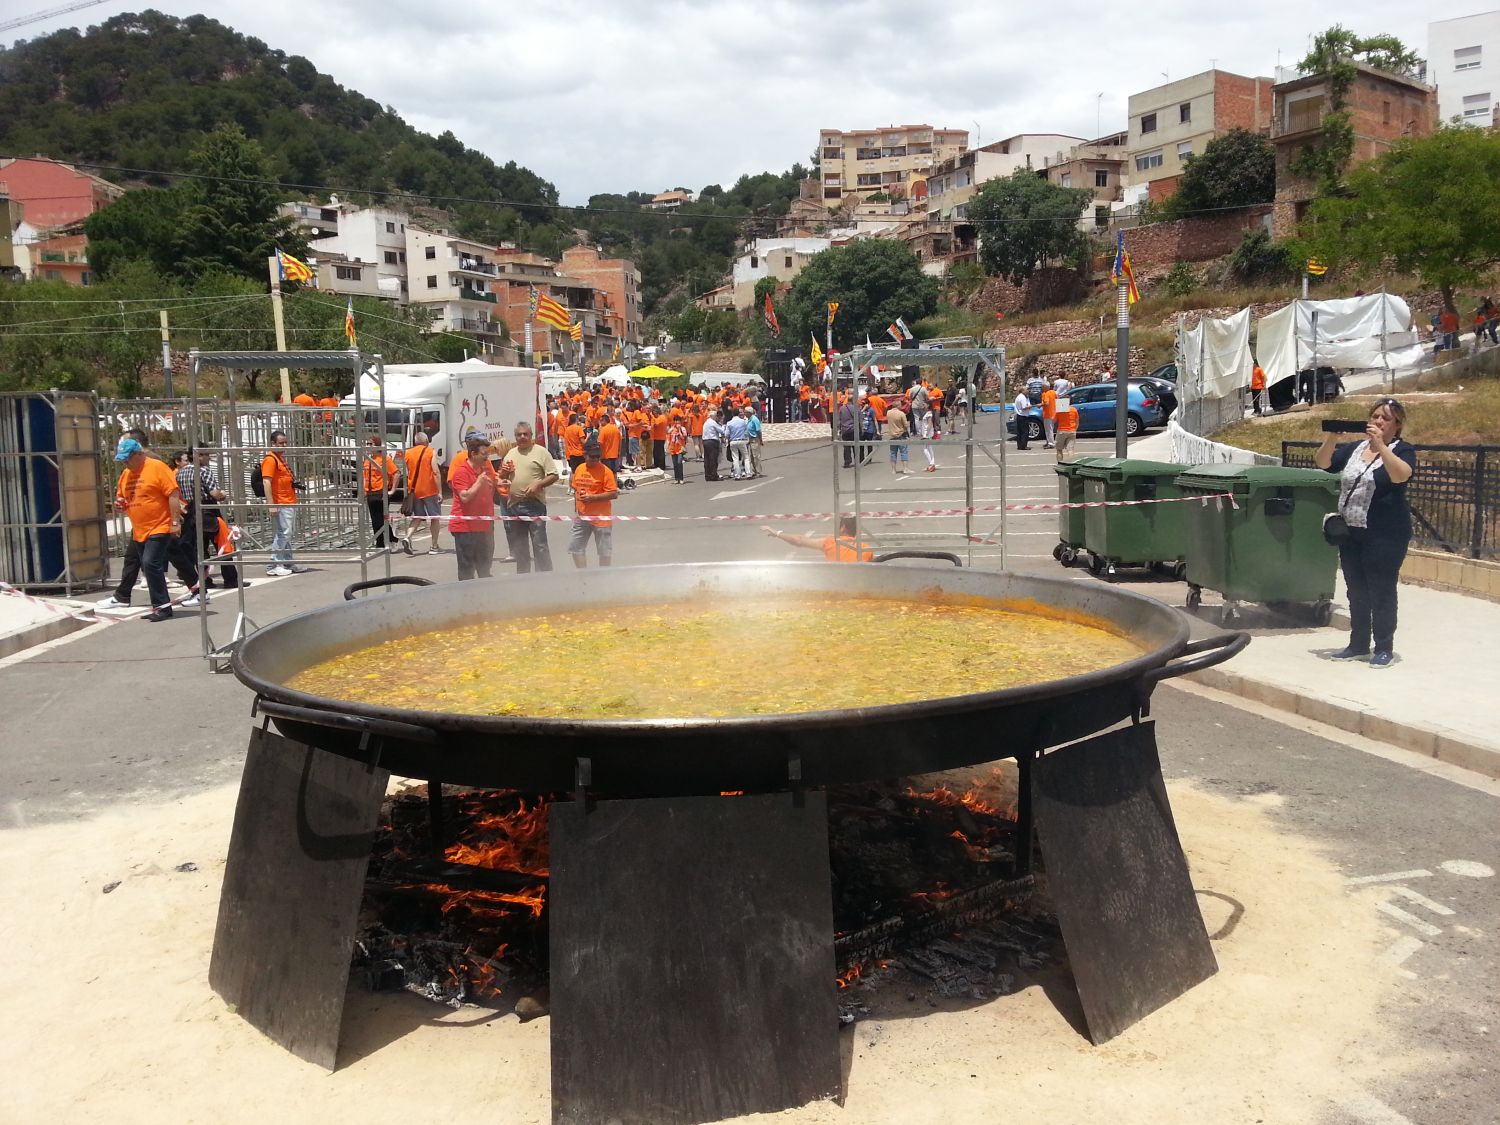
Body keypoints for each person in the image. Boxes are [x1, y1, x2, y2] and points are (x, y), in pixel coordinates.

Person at [1314, 399, 1416, 668]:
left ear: (1397, 425)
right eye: (1375, 416)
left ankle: (1384, 647)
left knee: (1381, 590)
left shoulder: (1402, 450)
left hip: (1385, 535)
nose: (1379, 421)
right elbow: (1324, 462)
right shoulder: (1354, 448)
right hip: (1352, 532)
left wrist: (1381, 446)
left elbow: (1401, 475)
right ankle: (1358, 643)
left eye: (1386, 418)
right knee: (1356, 590)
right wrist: (1332, 438)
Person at [113, 437, 185, 622]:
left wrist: (175, 522)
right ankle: (159, 606)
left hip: (159, 525)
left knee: (151, 563)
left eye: (128, 458)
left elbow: (173, 493)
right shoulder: (126, 474)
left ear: (139, 454)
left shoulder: (157, 467)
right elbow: (123, 498)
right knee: (148, 565)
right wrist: (120, 505)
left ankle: (163, 606)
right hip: (139, 529)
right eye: (123, 460)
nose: (125, 463)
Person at [177, 445, 242, 600]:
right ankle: (231, 579)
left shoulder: (181, 472)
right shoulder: (204, 471)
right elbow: (214, 493)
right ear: (198, 456)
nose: (208, 458)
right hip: (208, 511)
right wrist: (223, 494)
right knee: (223, 545)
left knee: (200, 548)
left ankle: (205, 580)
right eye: (206, 455)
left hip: (190, 513)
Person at [499, 419, 558, 573]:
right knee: (520, 548)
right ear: (515, 437)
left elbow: (554, 475)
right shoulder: (510, 453)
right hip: (514, 506)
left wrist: (538, 484)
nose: (522, 437)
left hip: (535, 505)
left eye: (525, 434)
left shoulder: (541, 452)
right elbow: (502, 478)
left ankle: (544, 579)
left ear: (531, 435)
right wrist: (504, 473)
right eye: (519, 435)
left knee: (540, 546)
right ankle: (523, 579)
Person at [448, 433, 501, 581]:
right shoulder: (461, 472)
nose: (487, 458)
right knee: (467, 569)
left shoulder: (482, 471)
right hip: (465, 528)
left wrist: (496, 484)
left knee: (484, 568)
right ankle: (467, 599)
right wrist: (478, 482)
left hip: (483, 527)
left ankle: (484, 597)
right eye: (484, 454)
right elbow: (464, 497)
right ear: (473, 454)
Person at [260, 430, 305, 577]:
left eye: (285, 442)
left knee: (286, 533)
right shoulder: (270, 459)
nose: (284, 445)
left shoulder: (280, 458)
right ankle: (275, 563)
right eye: (281, 443)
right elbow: (266, 481)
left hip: (287, 499)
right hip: (280, 501)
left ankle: (287, 561)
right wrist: (271, 504)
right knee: (283, 533)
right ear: (273, 443)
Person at [568, 441, 619, 567]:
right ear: (585, 455)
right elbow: (575, 488)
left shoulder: (606, 471)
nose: (596, 459)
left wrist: (592, 498)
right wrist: (577, 509)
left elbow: (613, 493)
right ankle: (584, 577)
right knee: (576, 548)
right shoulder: (579, 469)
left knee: (604, 552)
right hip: (582, 517)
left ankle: (603, 578)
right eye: (592, 456)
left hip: (601, 518)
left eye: (598, 456)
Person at [762, 515, 873, 562]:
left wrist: (777, 533)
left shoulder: (830, 542)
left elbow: (799, 540)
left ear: (843, 528)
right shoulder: (867, 550)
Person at [402, 432, 443, 554]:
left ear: (415, 442)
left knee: (418, 516)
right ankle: (434, 546)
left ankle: (407, 537)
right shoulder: (431, 452)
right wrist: (440, 491)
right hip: (429, 489)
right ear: (426, 441)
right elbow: (435, 471)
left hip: (414, 490)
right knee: (435, 518)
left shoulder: (408, 453)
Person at [362, 435, 399, 551]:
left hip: (381, 492)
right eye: (367, 444)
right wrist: (364, 491)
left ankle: (392, 540)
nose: (368, 446)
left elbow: (396, 473)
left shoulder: (385, 459)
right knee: (374, 520)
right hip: (370, 493)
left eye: (370, 444)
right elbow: (365, 476)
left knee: (382, 519)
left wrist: (392, 490)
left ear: (377, 446)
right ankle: (380, 543)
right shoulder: (368, 459)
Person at [725, 407, 751, 480]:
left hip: (733, 441)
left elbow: (726, 434)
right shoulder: (743, 421)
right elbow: (746, 432)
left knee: (735, 458)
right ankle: (748, 473)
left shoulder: (729, 423)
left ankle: (737, 475)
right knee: (746, 457)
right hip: (742, 440)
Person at [1054, 390, 1079, 462]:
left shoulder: (1060, 410)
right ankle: (1071, 464)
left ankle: (1060, 464)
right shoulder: (1074, 410)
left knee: (1059, 450)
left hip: (1062, 430)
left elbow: (1054, 420)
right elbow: (1077, 421)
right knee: (1070, 450)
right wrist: (1075, 429)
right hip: (1072, 431)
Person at [886, 400, 910, 473]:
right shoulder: (901, 414)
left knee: (893, 453)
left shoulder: (888, 413)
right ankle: (905, 468)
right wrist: (906, 430)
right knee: (904, 452)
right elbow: (905, 425)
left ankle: (893, 470)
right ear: (898, 406)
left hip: (892, 435)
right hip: (901, 434)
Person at [702, 409, 725, 482]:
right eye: (715, 416)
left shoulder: (706, 422)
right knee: (713, 459)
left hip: (705, 441)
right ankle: (713, 475)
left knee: (707, 459)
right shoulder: (713, 423)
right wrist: (723, 425)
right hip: (712, 441)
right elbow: (722, 431)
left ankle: (707, 475)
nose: (716, 417)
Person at [666, 416, 688, 484]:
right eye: (675, 421)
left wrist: (679, 431)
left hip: (680, 448)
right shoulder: (671, 429)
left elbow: (685, 436)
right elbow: (668, 436)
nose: (677, 422)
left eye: (678, 421)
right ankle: (676, 478)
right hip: (673, 448)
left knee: (679, 462)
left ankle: (681, 478)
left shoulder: (682, 428)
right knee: (675, 464)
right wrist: (667, 445)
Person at [743, 405, 763, 477]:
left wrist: (760, 439)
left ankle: (758, 471)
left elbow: (758, 430)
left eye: (745, 412)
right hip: (750, 439)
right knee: (751, 456)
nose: (744, 413)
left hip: (755, 439)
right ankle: (755, 470)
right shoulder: (748, 419)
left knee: (756, 456)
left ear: (749, 412)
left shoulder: (754, 419)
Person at [1040, 382, 1058, 448]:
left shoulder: (1046, 394)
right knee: (1050, 429)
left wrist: (1040, 405)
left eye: (1042, 387)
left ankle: (1051, 443)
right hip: (1054, 413)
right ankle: (1048, 441)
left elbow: (1046, 403)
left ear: (1045, 387)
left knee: (1048, 429)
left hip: (1048, 414)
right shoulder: (1054, 392)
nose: (1042, 388)